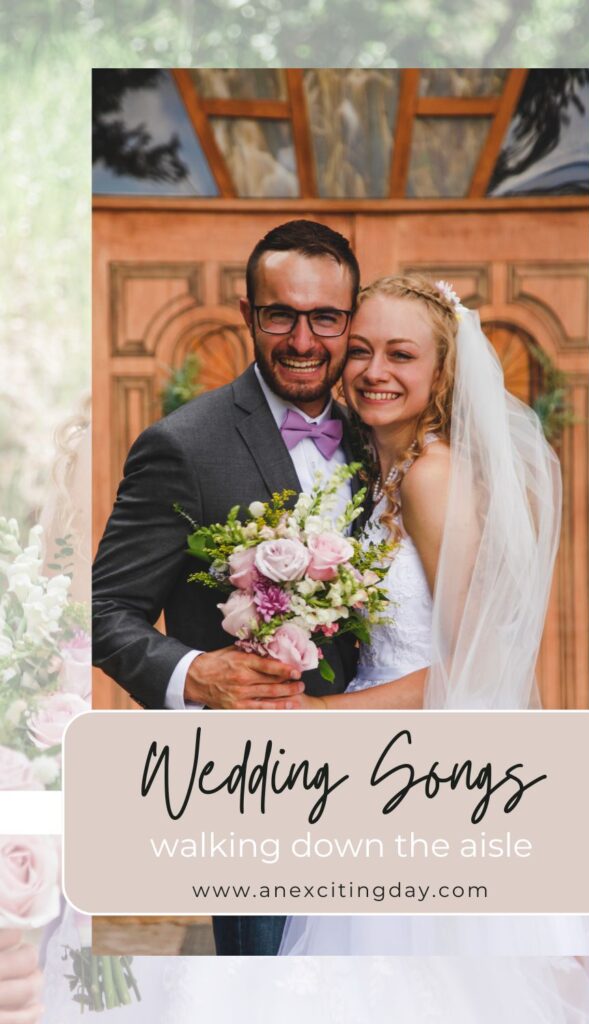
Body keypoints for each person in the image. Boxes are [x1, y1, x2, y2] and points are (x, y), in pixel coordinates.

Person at [151, 277, 589, 1020]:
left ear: (441, 372)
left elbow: (473, 669)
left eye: (400, 354)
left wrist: (319, 714)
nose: (372, 371)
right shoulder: (377, 476)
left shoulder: (431, 476)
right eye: (359, 351)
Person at [91, 219, 363, 956]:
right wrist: (195, 674)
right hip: (251, 799)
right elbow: (101, 611)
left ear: (350, 320)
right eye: (280, 314)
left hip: (386, 783)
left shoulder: (385, 437)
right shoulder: (184, 444)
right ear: (248, 315)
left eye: (324, 318)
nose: (302, 341)